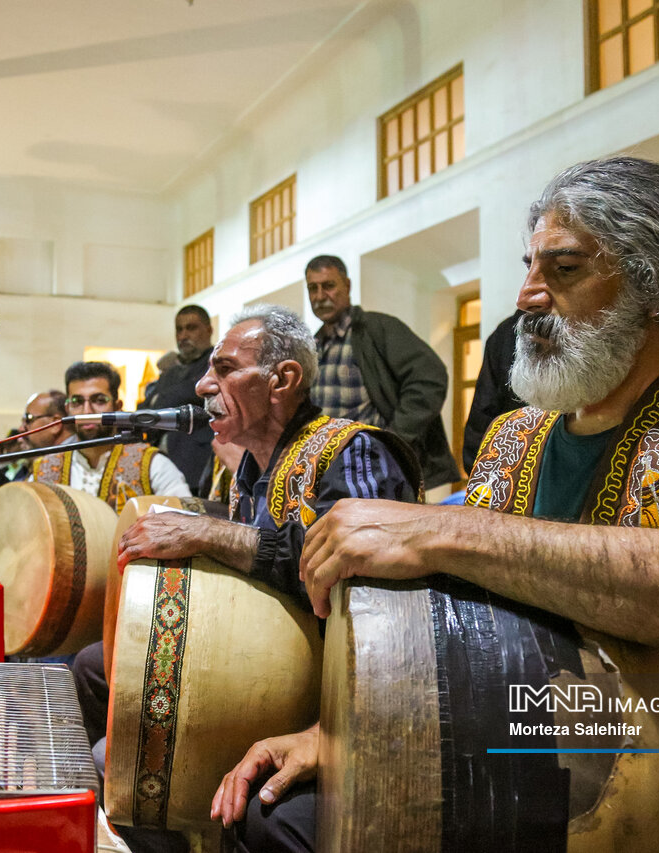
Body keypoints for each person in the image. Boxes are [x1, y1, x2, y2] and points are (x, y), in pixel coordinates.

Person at [216, 157, 659, 850]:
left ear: (657, 285)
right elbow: (457, 639)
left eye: (566, 268)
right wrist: (339, 731)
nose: (526, 295)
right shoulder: (519, 434)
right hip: (531, 734)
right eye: (529, 266)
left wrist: (446, 531)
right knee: (271, 810)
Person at [75, 306, 421, 853]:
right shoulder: (253, 468)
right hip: (267, 671)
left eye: (225, 368)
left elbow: (355, 576)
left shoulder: (352, 450)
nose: (203, 384)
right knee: (102, 671)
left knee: (132, 763)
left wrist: (212, 537)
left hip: (343, 698)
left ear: (282, 380)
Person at [305, 254, 460, 491]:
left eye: (328, 286)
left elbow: (429, 378)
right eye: (312, 288)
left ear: (347, 286)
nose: (319, 296)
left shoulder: (378, 329)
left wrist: (394, 441)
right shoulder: (314, 346)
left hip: (376, 474)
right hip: (328, 475)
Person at [31, 361, 191, 511]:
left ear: (117, 407)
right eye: (77, 401)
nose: (87, 411)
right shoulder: (44, 471)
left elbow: (185, 522)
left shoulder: (151, 464)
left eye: (99, 400)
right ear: (67, 409)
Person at [142, 305, 215, 493]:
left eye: (191, 328)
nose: (183, 336)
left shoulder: (216, 363)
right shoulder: (171, 373)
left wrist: (160, 398)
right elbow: (146, 407)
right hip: (160, 466)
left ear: (208, 330)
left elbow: (187, 393)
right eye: (179, 329)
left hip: (195, 466)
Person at [461, 309, 526, 475]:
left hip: (509, 465)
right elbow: (484, 407)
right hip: (509, 466)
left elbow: (484, 407)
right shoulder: (505, 334)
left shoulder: (505, 332)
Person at [7, 390, 70, 482]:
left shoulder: (73, 463)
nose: (21, 429)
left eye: (29, 419)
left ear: (55, 424)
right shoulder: (40, 462)